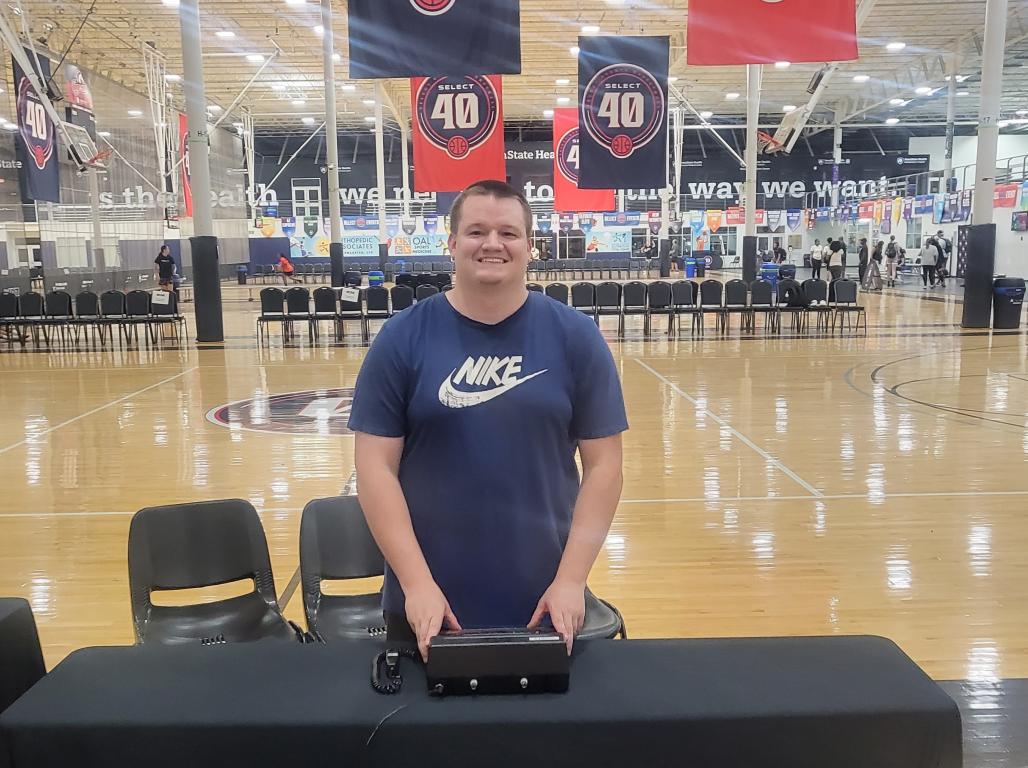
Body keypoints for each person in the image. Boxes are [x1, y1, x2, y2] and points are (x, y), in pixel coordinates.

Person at [348, 180, 628, 661]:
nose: (493, 244)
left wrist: (571, 580)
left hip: (544, 600)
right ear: (452, 243)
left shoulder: (576, 337)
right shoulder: (402, 337)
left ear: (529, 246)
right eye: (476, 231)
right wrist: (416, 584)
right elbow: (374, 468)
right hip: (428, 604)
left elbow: (605, 468)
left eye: (508, 233)